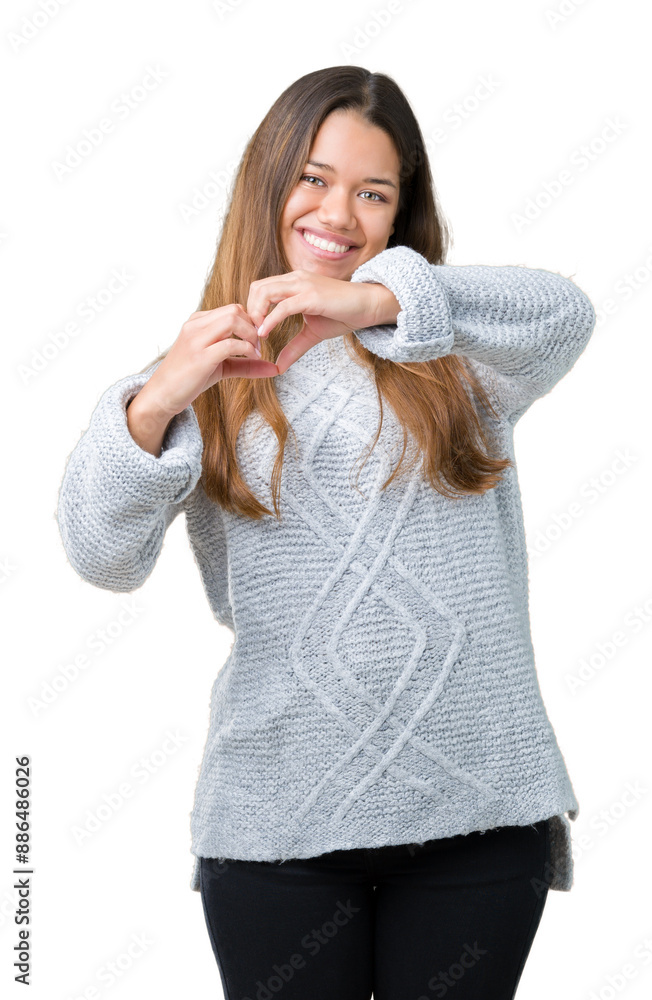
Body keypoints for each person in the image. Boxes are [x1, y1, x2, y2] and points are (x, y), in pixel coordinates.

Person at [56, 66, 596, 999]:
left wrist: (379, 302)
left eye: (371, 191)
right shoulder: (198, 378)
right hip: (278, 825)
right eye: (313, 178)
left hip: (475, 810)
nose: (338, 213)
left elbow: (563, 313)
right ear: (267, 181)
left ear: (398, 213)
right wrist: (157, 401)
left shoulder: (454, 354)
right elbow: (100, 555)